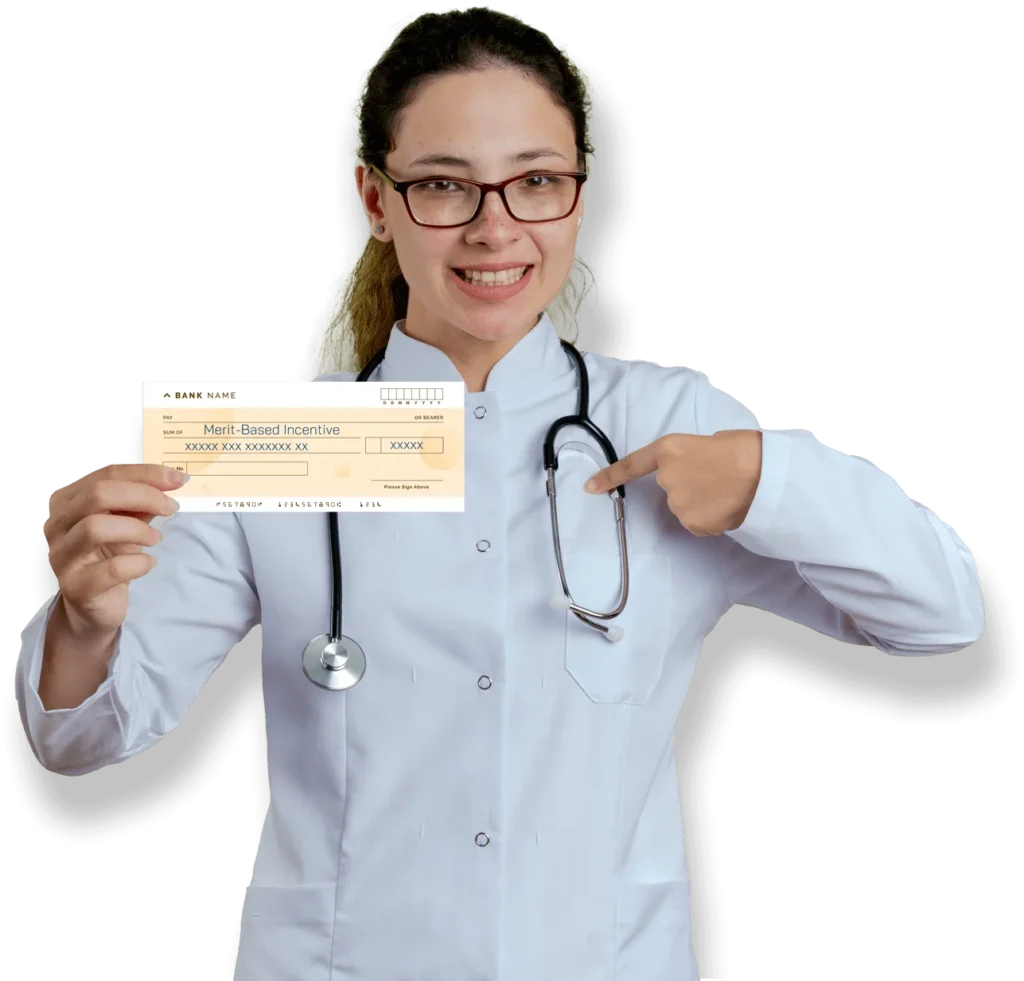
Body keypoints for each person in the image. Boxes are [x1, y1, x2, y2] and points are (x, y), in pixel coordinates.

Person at [15, 8, 985, 981]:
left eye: (535, 181)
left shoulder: (665, 418)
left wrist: (771, 478)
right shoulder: (283, 442)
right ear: (376, 199)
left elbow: (942, 615)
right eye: (444, 184)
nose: (495, 227)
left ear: (578, 196)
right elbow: (82, 739)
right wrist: (86, 623)